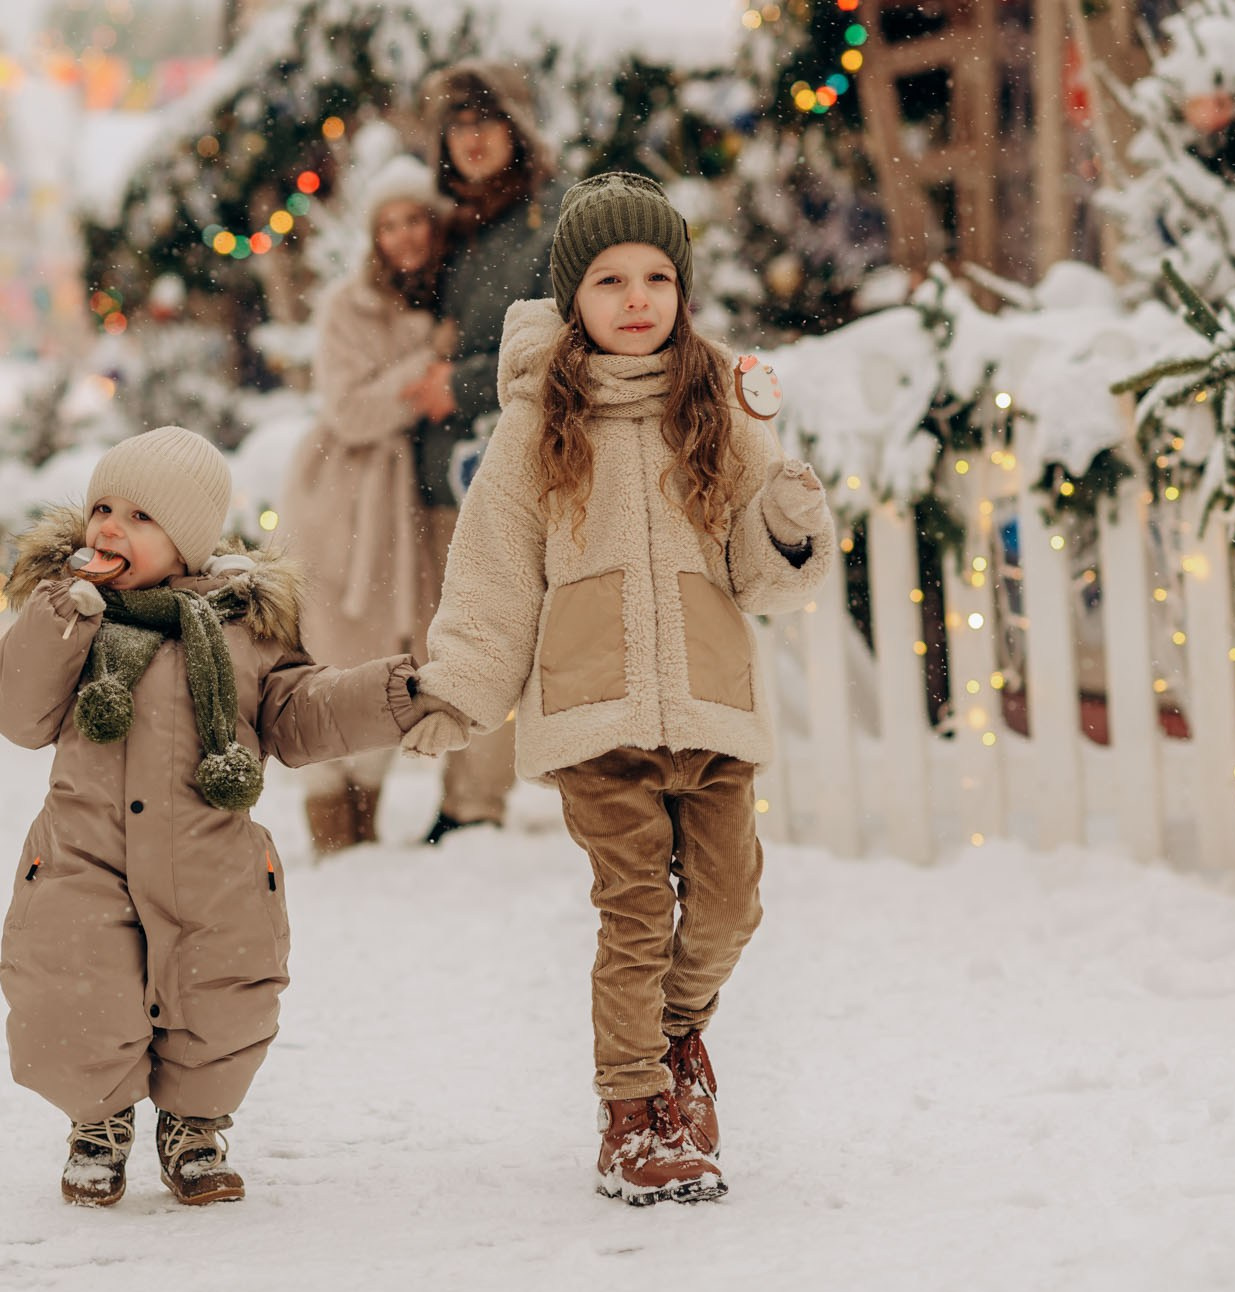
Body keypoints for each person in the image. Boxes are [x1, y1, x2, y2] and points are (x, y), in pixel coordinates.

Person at [403, 174, 836, 1205]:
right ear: (570, 302)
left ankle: (678, 1030)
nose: (635, 297)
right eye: (608, 280)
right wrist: (457, 691)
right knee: (634, 913)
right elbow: (493, 573)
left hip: (711, 705)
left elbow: (760, 577)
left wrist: (785, 521)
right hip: (593, 717)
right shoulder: (534, 424)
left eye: (655, 277)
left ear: (681, 291)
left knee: (730, 906)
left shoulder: (718, 409)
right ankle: (634, 1112)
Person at [0, 426, 467, 1208]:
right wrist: (58, 614)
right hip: (82, 857)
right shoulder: (74, 618)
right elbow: (12, 710)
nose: (108, 527)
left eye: (140, 516)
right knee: (71, 989)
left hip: (212, 859)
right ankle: (97, 1123)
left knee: (223, 994)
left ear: (190, 540)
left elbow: (302, 711)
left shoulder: (245, 628)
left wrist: (398, 692)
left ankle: (194, 1125)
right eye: (103, 506)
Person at [404, 60, 571, 845]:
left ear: (517, 128)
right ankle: (460, 791)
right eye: (457, 125)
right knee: (456, 631)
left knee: (497, 630)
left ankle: (476, 805)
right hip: (442, 471)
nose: (471, 139)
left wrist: (462, 384)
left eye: (486, 121)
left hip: (512, 461)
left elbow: (563, 337)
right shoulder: (453, 228)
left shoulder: (554, 216)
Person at [282, 155, 455, 856]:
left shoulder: (450, 298)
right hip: (341, 498)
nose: (404, 236)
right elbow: (350, 410)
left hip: (406, 502)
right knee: (331, 651)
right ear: (373, 235)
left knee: (391, 653)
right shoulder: (344, 307)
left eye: (415, 219)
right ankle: (331, 829)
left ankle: (369, 824)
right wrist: (426, 366)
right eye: (390, 224)